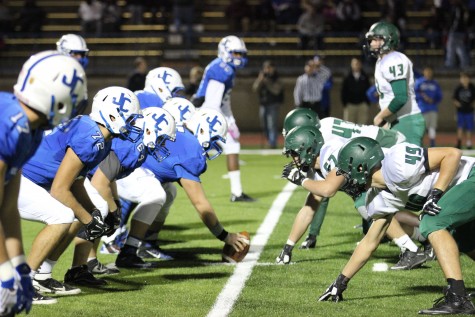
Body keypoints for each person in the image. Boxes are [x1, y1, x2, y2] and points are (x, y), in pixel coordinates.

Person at [318, 136, 475, 315]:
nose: (345, 182)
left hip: (471, 175)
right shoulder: (378, 198)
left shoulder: (396, 162)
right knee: (463, 238)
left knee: (432, 222)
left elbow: (452, 154)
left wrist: (436, 192)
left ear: (361, 168)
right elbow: (370, 241)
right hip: (463, 190)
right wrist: (340, 282)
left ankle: (458, 298)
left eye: (347, 174)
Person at [18, 86, 143, 302]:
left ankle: (42, 276)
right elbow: (59, 189)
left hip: (31, 179)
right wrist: (88, 219)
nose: (132, 125)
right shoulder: (91, 136)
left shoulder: (100, 137)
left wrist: (92, 213)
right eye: (129, 118)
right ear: (112, 115)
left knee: (74, 213)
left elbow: (76, 181)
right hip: (19, 179)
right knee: (62, 216)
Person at [277, 114, 429, 270]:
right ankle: (425, 238)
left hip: (387, 159)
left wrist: (302, 181)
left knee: (374, 209)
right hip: (368, 167)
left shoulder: (330, 150)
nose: (293, 158)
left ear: (307, 144)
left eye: (295, 152)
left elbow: (327, 190)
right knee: (374, 213)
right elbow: (310, 206)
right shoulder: (318, 155)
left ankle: (413, 247)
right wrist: (288, 246)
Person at [0, 50, 87, 313]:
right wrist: (5, 274)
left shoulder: (31, 130)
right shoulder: (11, 125)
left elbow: (8, 207)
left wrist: (20, 269)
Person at [114, 108, 250, 267]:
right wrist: (225, 236)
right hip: (124, 172)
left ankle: (148, 243)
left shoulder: (182, 134)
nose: (212, 144)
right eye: (213, 138)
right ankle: (128, 251)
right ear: (203, 130)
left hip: (123, 167)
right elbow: (200, 203)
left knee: (169, 191)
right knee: (156, 193)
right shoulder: (191, 150)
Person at [77, 107, 176, 272]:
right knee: (97, 211)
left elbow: (111, 176)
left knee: (101, 210)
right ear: (150, 130)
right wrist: (114, 209)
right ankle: (75, 267)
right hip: (79, 176)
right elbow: (99, 182)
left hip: (86, 175)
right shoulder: (130, 146)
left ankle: (89, 262)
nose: (163, 144)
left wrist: (115, 203)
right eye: (162, 139)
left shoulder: (136, 146)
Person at [192, 35, 255, 202]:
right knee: (193, 152)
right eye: (236, 54)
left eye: (241, 54)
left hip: (208, 113)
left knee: (231, 146)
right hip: (206, 115)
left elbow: (224, 100)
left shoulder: (227, 68)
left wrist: (231, 120)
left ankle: (237, 192)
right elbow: (213, 103)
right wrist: (225, 122)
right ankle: (236, 193)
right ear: (225, 52)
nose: (239, 58)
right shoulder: (222, 69)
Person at [364, 21, 425, 146]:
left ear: (388, 40)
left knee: (407, 164)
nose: (372, 43)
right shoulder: (383, 60)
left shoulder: (394, 60)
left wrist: (380, 116)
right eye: (371, 40)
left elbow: (401, 97)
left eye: (376, 39)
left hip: (406, 121)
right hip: (397, 120)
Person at [252, 60, 284, 149]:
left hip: (273, 104)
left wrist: (266, 82)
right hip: (263, 104)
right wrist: (259, 80)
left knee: (272, 125)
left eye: (269, 68)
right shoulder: (262, 78)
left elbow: (276, 91)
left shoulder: (277, 78)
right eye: (265, 68)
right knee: (264, 125)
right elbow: (255, 88)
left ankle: (272, 143)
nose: (267, 70)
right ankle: (269, 140)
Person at [414, 66, 443, 147]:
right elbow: (414, 93)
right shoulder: (419, 82)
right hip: (422, 108)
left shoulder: (435, 83)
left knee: (432, 126)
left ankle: (432, 143)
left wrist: (433, 100)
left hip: (432, 108)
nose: (428, 73)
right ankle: (419, 143)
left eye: (430, 71)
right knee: (422, 128)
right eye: (426, 71)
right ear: (423, 72)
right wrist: (423, 98)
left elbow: (439, 95)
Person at [341, 57, 371, 125]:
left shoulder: (365, 76)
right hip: (350, 105)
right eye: (354, 64)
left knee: (362, 126)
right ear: (351, 65)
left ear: (360, 65)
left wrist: (367, 102)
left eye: (358, 64)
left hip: (362, 105)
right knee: (349, 126)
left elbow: (368, 89)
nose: (356, 65)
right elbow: (343, 91)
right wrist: (345, 103)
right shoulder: (347, 76)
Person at [453, 72, 475, 149]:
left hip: (469, 111)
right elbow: (454, 99)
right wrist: (458, 104)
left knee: (469, 127)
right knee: (460, 127)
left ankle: (469, 142)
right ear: (460, 79)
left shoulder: (472, 87)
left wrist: (472, 104)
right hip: (460, 111)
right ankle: (459, 142)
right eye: (463, 78)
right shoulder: (458, 88)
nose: (464, 80)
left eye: (466, 78)